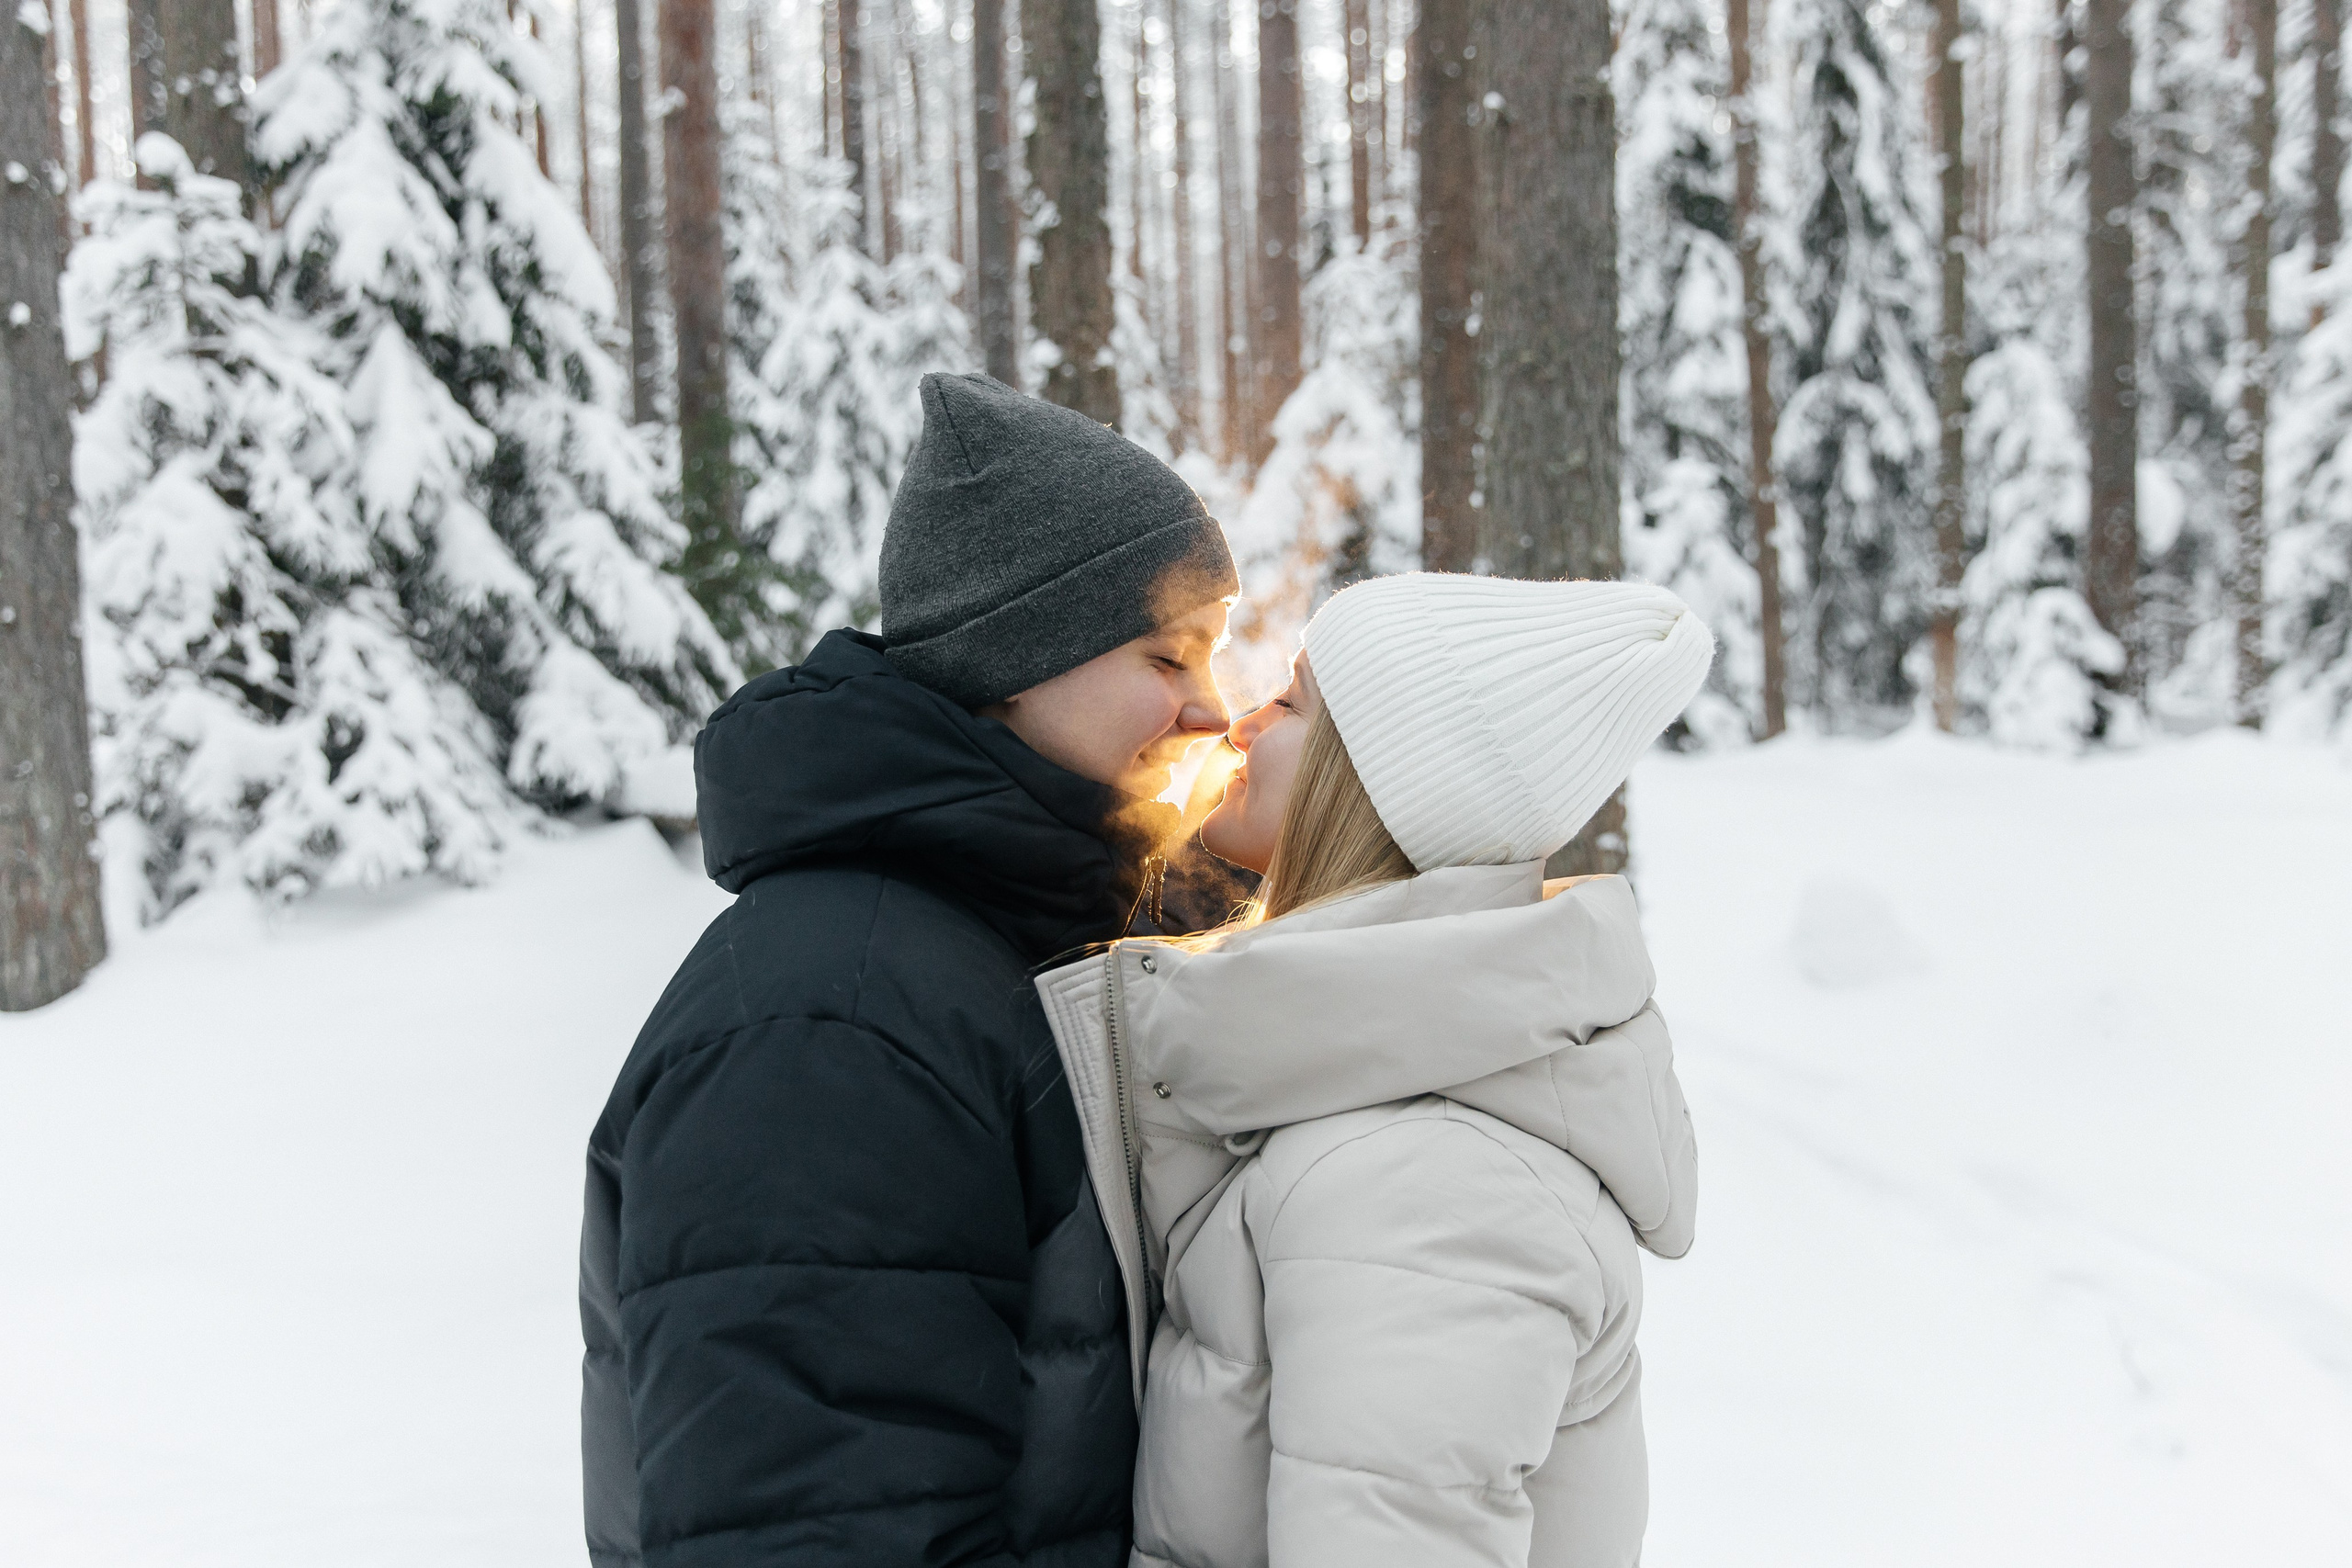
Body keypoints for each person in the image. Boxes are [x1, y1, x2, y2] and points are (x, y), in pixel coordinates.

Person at [578, 372, 1239, 1568]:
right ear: (1019, 654)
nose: (1214, 709)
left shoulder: (1006, 946)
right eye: (1171, 654)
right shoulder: (833, 1020)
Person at [1034, 572, 1713, 1568]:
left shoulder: (1432, 1183)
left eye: (1294, 701)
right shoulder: (1367, 1106)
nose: (1240, 721)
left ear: (1374, 784)